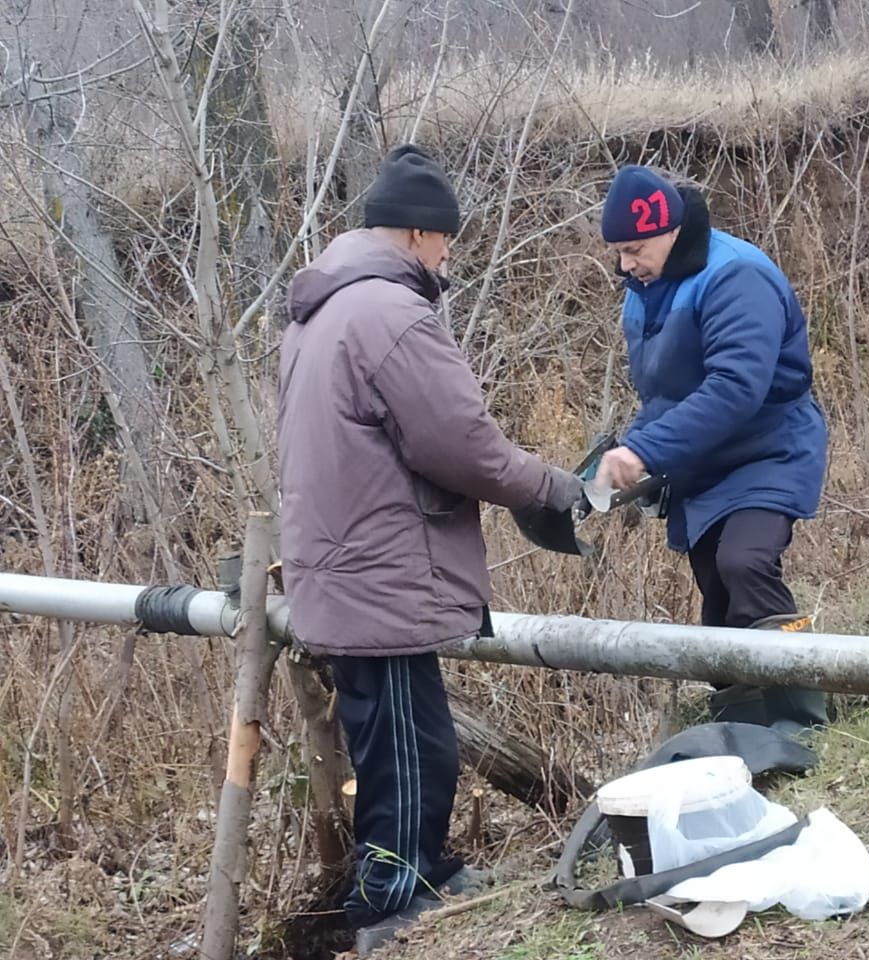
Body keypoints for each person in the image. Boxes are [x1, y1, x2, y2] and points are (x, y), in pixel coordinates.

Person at [276, 145, 582, 954]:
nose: (450, 256)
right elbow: (461, 444)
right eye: (446, 239)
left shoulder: (320, 313)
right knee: (404, 742)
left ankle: (423, 866)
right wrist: (549, 487)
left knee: (408, 732)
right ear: (417, 234)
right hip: (380, 565)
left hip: (342, 560)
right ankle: (391, 895)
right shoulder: (388, 313)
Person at [594, 165, 829, 733]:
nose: (625, 264)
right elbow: (662, 393)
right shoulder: (644, 291)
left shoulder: (735, 276)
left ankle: (801, 712)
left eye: (634, 249)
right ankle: (742, 717)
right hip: (702, 464)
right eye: (619, 252)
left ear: (670, 230)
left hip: (768, 449)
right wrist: (626, 456)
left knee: (744, 562)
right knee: (717, 588)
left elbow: (735, 388)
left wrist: (647, 449)